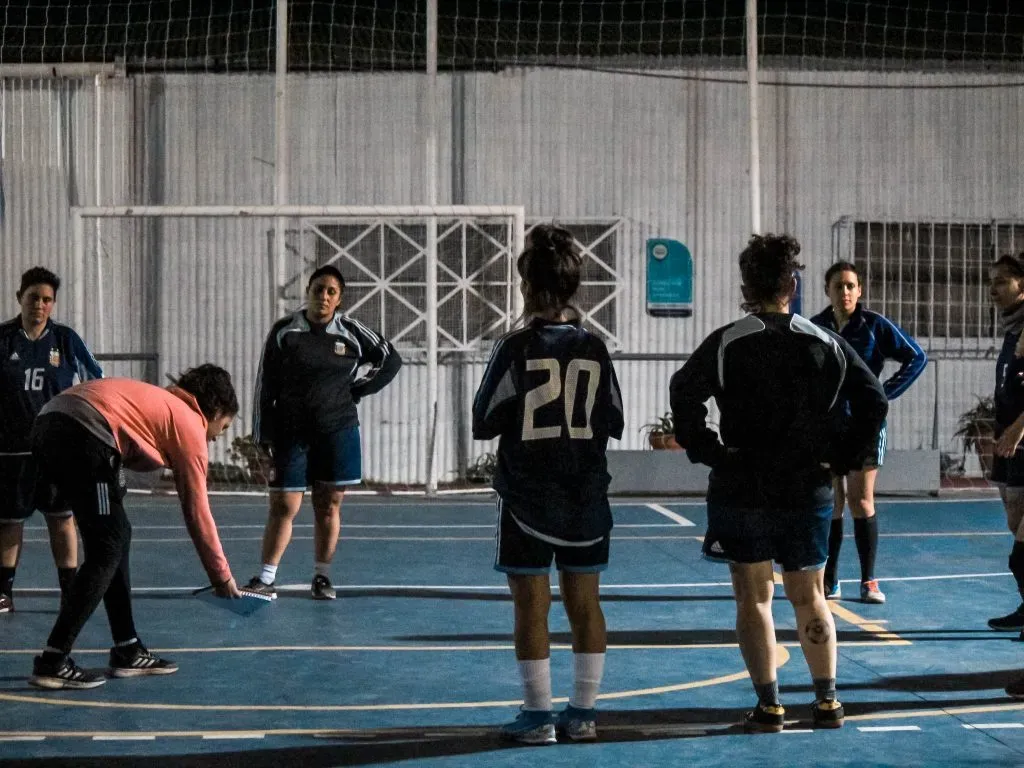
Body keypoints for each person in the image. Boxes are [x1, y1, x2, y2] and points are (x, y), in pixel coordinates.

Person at [670, 234, 887, 733]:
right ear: (794, 283)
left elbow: (684, 393)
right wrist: (842, 455)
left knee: (753, 597)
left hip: (743, 482)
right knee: (810, 595)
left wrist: (709, 452)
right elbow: (874, 399)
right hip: (806, 484)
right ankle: (827, 702)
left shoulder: (727, 340)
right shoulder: (823, 341)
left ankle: (769, 706)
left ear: (746, 286)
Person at [473, 224, 624, 745]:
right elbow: (616, 419)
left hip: (528, 497)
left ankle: (537, 716)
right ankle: (583, 713)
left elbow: (483, 418)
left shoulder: (515, 347)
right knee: (587, 602)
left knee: (531, 604)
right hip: (584, 493)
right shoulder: (595, 347)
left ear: (529, 288)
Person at [27, 365, 244, 690]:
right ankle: (53, 659)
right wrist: (221, 576)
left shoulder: (159, 402)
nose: (216, 437)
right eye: (222, 427)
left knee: (118, 535)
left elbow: (126, 447)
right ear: (212, 411)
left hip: (52, 423)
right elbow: (197, 511)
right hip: (82, 432)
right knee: (108, 545)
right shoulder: (188, 422)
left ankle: (127, 647)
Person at [248, 265, 401, 600]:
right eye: (318, 289)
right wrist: (262, 436)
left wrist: (357, 390)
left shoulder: (351, 331)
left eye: (331, 291)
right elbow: (265, 385)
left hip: (337, 431)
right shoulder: (285, 331)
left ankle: (321, 577)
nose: (324, 296)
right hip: (291, 433)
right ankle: (265, 578)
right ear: (308, 291)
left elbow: (389, 359)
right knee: (283, 505)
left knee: (328, 505)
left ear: (339, 299)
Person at [810, 261, 927, 604]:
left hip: (865, 426)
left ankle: (869, 580)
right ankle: (830, 581)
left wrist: (884, 393)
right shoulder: (815, 328)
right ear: (827, 291)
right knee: (832, 503)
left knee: (862, 501)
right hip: (828, 428)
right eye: (838, 286)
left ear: (860, 290)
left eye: (850, 286)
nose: (844, 292)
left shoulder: (875, 326)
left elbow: (916, 357)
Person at [0, 267, 103, 614]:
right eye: (33, 298)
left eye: (46, 300)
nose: (39, 305)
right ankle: (4, 592)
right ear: (20, 299)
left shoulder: (66, 340)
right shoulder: (3, 339)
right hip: (11, 449)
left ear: (53, 304)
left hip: (58, 449)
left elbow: (96, 381)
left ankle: (70, 589)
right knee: (9, 520)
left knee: (61, 517)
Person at [986, 255, 1024, 663]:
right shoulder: (1011, 329)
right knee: (1015, 524)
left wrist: (1018, 428)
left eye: (1002, 281)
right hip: (1008, 441)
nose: (993, 289)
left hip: (1019, 439)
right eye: (991, 282)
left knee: (1022, 548)